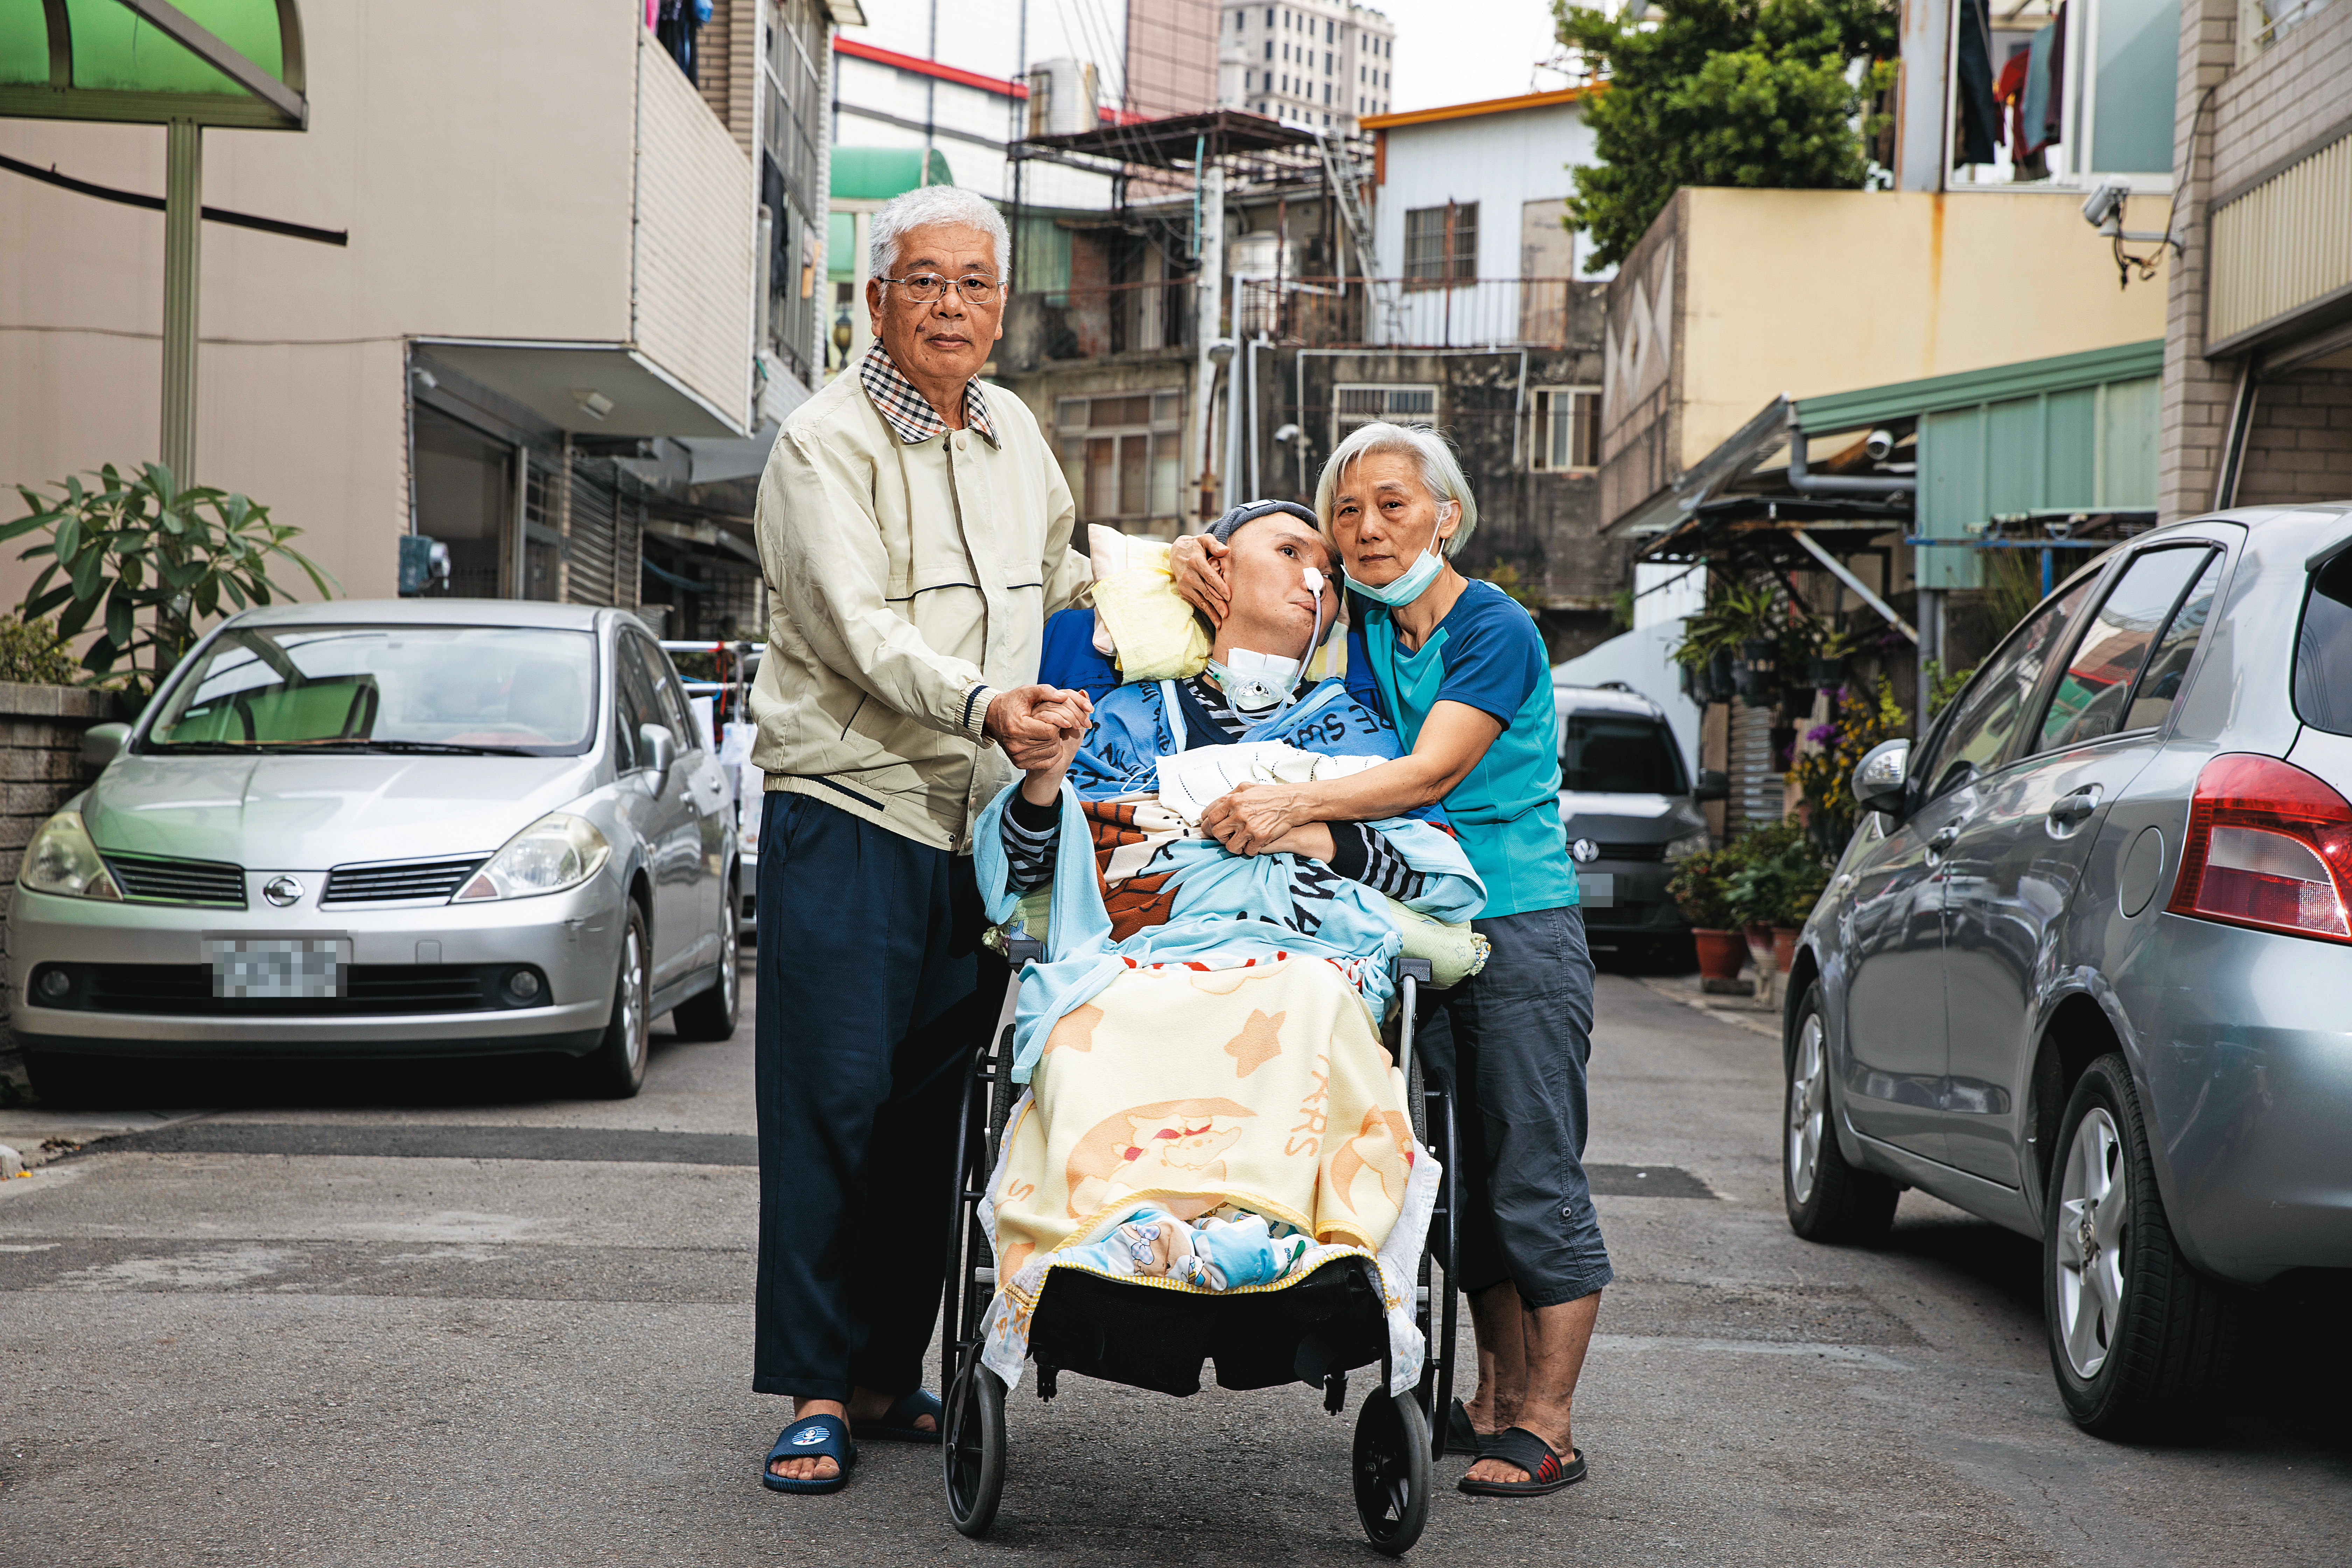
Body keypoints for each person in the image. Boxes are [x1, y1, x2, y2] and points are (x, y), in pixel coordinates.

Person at [1170, 423, 1609, 1500]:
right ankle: (1495, 1402)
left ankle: (1549, 1424)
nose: (1366, 530)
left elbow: (1426, 773)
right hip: (1412, 929)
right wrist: (1194, 556)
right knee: (1457, 1180)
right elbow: (1259, 592)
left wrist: (1295, 802)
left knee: (1532, 1171)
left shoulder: (1494, 628)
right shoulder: (1360, 621)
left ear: (1446, 517)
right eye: (1348, 511)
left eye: (1394, 505)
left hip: (1519, 923)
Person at [747, 184, 1094, 1495]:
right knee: (829, 1108)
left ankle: (891, 1377)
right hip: (850, 808)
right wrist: (983, 701)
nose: (953, 303)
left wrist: (1162, 573)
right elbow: (847, 625)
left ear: (1001, 308)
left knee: (931, 1121)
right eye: (925, 280)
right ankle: (818, 1391)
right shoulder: (822, 442)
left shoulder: (1013, 432)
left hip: (981, 825)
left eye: (976, 283)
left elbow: (1060, 575)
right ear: (877, 298)